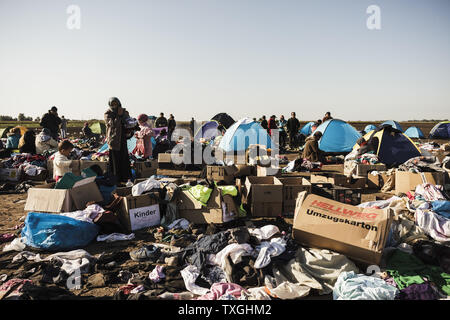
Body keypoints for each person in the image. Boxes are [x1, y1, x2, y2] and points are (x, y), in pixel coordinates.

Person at [104, 97, 132, 184]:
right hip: (113, 140)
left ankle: (125, 178)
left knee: (124, 158)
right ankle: (116, 179)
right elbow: (112, 125)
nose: (114, 106)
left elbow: (128, 122)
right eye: (112, 104)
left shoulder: (124, 112)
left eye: (115, 104)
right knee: (115, 160)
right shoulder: (108, 113)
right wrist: (119, 116)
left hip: (122, 139)